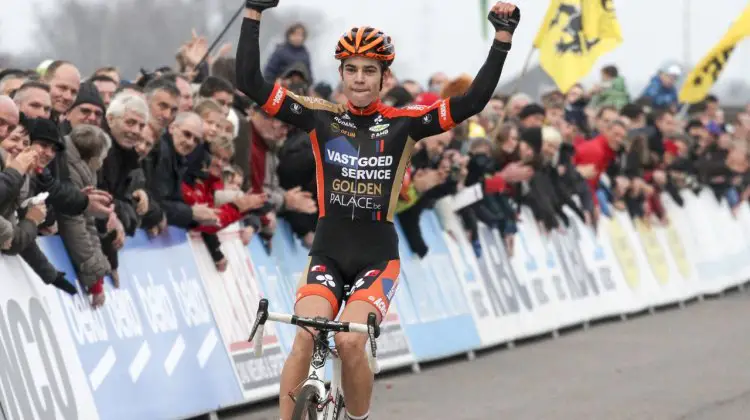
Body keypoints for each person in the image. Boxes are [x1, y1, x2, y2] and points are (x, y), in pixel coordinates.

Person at [237, 1, 521, 419]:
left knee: (351, 342)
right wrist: (253, 13)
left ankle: (358, 416)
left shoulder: (406, 123)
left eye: (369, 70)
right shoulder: (320, 118)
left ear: (385, 78)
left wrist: (502, 40)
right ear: (341, 75)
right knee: (306, 335)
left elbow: (472, 102)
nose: (359, 79)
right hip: (329, 252)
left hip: (376, 257)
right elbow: (248, 81)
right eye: (351, 69)